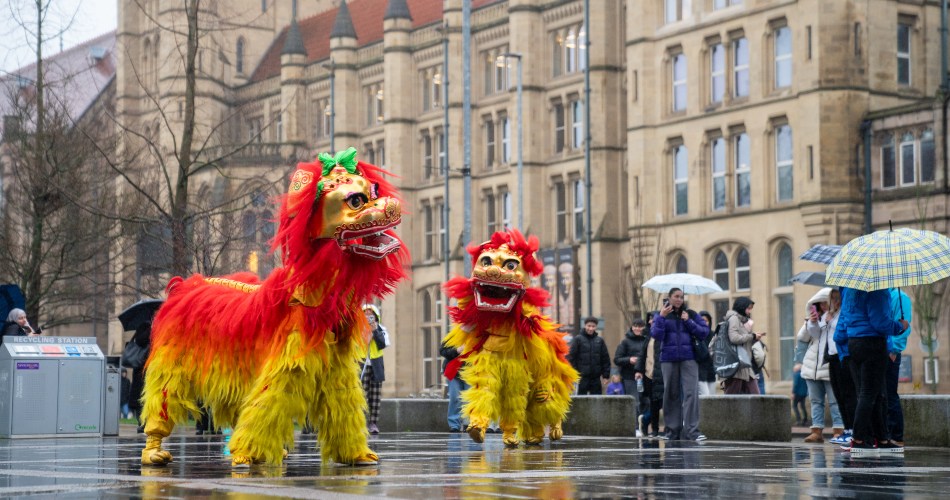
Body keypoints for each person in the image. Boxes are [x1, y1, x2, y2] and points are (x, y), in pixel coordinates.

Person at [834, 286, 908, 452]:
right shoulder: (878, 291)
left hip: (853, 343)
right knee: (869, 393)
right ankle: (859, 439)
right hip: (873, 343)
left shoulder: (850, 290)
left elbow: (845, 319)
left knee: (875, 393)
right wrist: (899, 326)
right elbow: (880, 322)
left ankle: (881, 438)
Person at [650, 288, 709, 441]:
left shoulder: (691, 314)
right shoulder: (661, 314)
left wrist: (688, 321)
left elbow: (704, 332)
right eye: (676, 296)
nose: (679, 299)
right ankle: (672, 432)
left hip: (689, 358)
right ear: (669, 298)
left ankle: (692, 431)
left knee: (691, 393)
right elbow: (656, 335)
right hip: (668, 359)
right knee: (671, 393)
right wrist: (661, 317)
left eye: (681, 297)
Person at [797, 287, 843, 443]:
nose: (823, 307)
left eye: (826, 303)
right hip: (812, 366)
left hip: (829, 365)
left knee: (835, 400)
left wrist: (828, 321)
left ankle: (839, 429)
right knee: (815, 401)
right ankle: (816, 430)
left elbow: (834, 336)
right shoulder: (816, 318)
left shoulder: (839, 316)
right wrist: (811, 321)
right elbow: (808, 335)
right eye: (820, 304)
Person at [827, 288, 857, 446]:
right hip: (832, 356)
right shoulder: (832, 315)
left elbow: (842, 333)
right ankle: (847, 428)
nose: (835, 301)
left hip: (843, 355)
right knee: (838, 394)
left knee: (848, 394)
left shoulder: (845, 313)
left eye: (837, 298)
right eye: (833, 298)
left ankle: (852, 428)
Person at [885, 288, 912, 447]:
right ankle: (886, 434)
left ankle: (896, 435)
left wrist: (894, 349)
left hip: (891, 352)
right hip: (881, 349)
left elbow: (904, 327)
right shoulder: (882, 295)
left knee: (889, 394)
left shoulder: (901, 297)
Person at [722, 297, 762, 394]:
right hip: (736, 367)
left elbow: (742, 340)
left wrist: (754, 338)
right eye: (748, 308)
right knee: (731, 401)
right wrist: (752, 336)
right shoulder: (734, 318)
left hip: (745, 365)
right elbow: (734, 338)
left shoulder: (741, 320)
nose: (749, 311)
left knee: (755, 397)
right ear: (741, 307)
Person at [361, 304, 389, 435]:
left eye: (370, 315)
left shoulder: (381, 329)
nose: (368, 317)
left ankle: (373, 423)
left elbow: (383, 344)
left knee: (375, 396)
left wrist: (375, 330)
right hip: (362, 365)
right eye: (365, 314)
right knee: (362, 395)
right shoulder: (358, 330)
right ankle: (360, 422)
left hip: (376, 365)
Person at [634, 313, 664, 438]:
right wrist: (639, 371)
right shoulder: (649, 336)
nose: (651, 321)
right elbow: (643, 355)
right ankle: (655, 429)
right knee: (654, 403)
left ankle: (647, 421)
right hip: (649, 374)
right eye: (650, 319)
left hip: (662, 374)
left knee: (663, 403)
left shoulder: (663, 335)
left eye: (653, 319)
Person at [568, 317, 611, 395]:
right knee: (581, 402)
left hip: (596, 378)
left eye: (593, 326)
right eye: (589, 326)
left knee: (597, 402)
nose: (591, 328)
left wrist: (606, 376)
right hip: (581, 377)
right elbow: (571, 357)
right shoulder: (578, 339)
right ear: (585, 326)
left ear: (596, 327)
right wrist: (575, 372)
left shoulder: (600, 341)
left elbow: (605, 359)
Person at [614, 318, 649, 401]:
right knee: (634, 401)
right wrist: (629, 360)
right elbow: (617, 359)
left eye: (640, 326)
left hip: (646, 376)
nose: (637, 329)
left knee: (646, 402)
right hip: (630, 377)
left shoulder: (648, 341)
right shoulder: (625, 342)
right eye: (635, 326)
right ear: (632, 327)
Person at [127, 322, 152, 433]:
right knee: (140, 398)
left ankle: (145, 422)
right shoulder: (145, 329)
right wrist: (150, 331)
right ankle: (142, 422)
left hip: (149, 370)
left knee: (147, 398)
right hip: (142, 370)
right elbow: (141, 341)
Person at [441, 340, 469, 432]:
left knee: (471, 400)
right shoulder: (453, 335)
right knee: (455, 398)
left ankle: (471, 424)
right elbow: (443, 350)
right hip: (454, 372)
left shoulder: (477, 333)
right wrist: (457, 350)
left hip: (472, 372)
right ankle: (454, 425)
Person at [696, 311, 717, 396]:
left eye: (706, 321)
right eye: (702, 320)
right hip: (700, 372)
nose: (704, 323)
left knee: (712, 398)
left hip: (711, 372)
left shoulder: (713, 335)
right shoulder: (695, 334)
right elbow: (700, 354)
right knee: (705, 395)